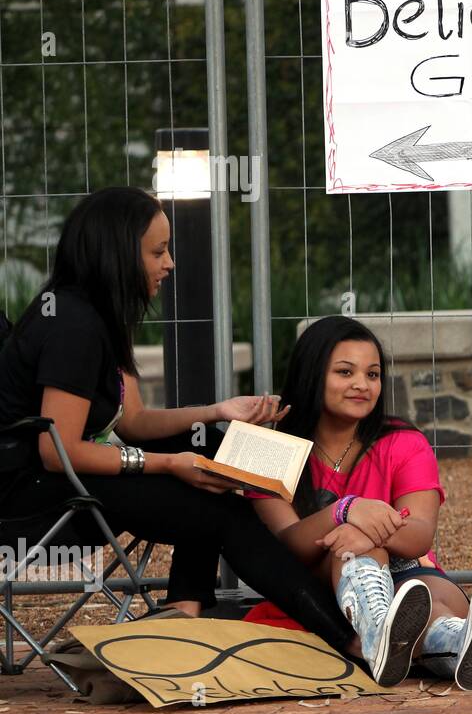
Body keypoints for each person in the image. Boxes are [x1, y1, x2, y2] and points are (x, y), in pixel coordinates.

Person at [0, 187, 359, 658]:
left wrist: (218, 412)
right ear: (117, 253)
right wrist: (170, 465)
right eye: (157, 251)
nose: (169, 262)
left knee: (218, 448)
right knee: (218, 506)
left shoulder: (102, 318)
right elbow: (57, 450)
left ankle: (193, 602)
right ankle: (348, 637)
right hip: (30, 503)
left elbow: (135, 421)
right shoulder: (73, 325)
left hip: (67, 483)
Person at [247, 315, 472, 691]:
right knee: (362, 552)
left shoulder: (404, 441)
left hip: (407, 570)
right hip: (318, 584)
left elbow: (419, 535)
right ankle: (388, 633)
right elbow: (290, 544)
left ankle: (458, 640)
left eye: (372, 375)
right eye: (345, 372)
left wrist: (367, 532)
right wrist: (345, 512)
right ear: (312, 374)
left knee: (431, 602)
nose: (362, 385)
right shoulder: (269, 449)